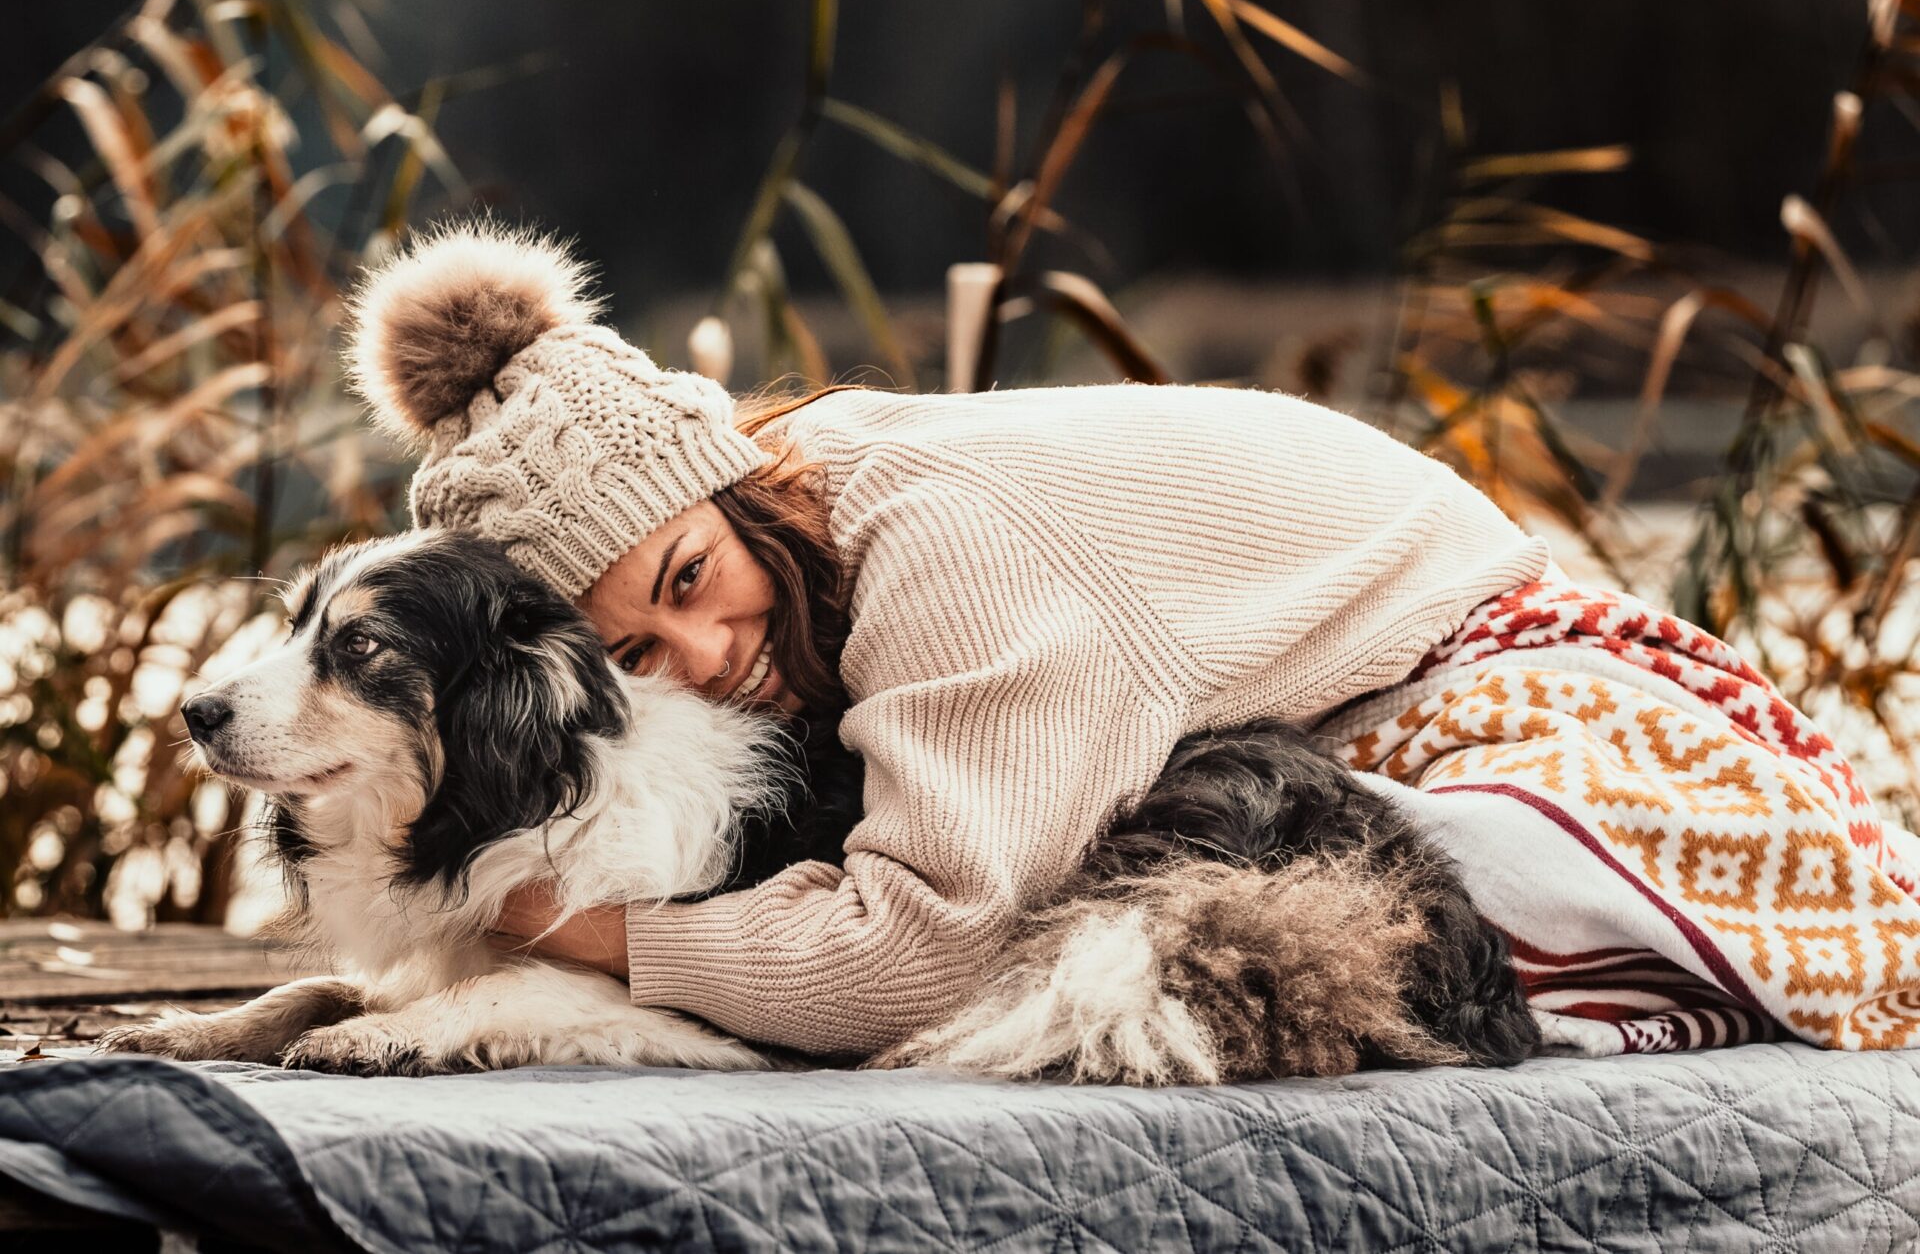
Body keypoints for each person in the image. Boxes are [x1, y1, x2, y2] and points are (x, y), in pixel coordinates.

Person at [347, 221, 1920, 1061]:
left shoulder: (939, 549)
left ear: (740, 486)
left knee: (1358, 936)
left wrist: (582, 926)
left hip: (1532, 702)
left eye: (688, 577)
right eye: (631, 653)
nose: (699, 649)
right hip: (1369, 693)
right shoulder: (829, 495)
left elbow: (919, 945)